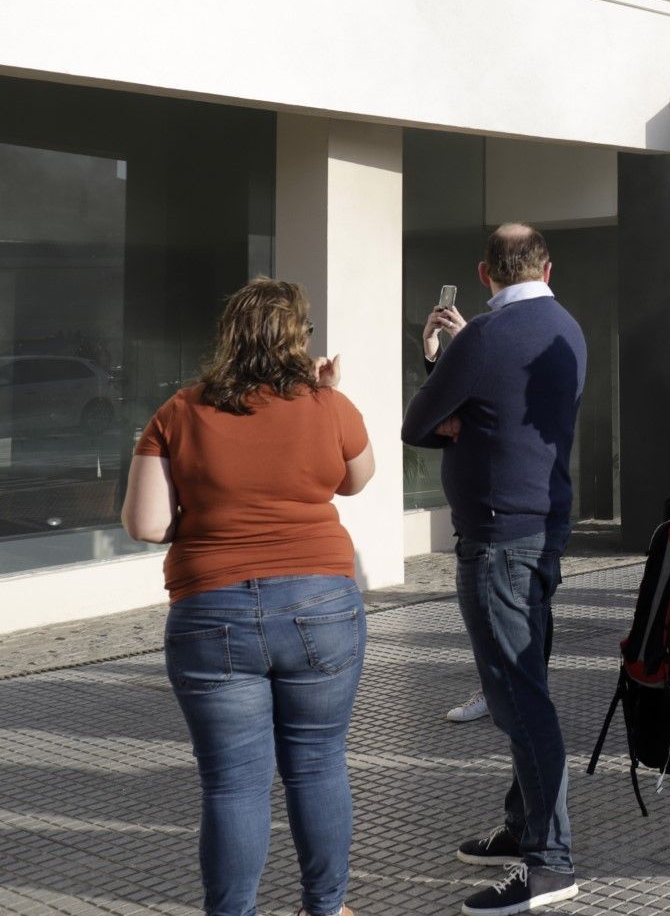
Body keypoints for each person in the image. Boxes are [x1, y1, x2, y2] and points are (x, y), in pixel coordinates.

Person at [121, 278, 374, 916]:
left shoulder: (178, 412)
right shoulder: (327, 405)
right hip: (321, 604)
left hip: (212, 611)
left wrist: (210, 522)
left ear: (228, 337)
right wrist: (326, 398)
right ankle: (326, 908)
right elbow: (357, 481)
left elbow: (147, 524)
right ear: (300, 339)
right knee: (317, 764)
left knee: (233, 785)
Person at [402, 224, 586, 916]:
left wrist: (444, 378)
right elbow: (507, 415)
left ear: (484, 273)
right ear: (546, 265)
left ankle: (550, 861)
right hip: (542, 528)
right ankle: (523, 824)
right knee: (525, 683)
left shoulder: (480, 336)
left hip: (496, 540)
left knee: (519, 701)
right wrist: (468, 414)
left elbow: (417, 422)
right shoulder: (569, 327)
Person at [419, 296, 491, 726]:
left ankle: (511, 693)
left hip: (505, 516)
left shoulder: (495, 341)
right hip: (472, 515)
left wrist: (464, 338)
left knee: (501, 612)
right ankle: (498, 690)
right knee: (481, 614)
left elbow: (494, 390)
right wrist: (433, 349)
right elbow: (444, 400)